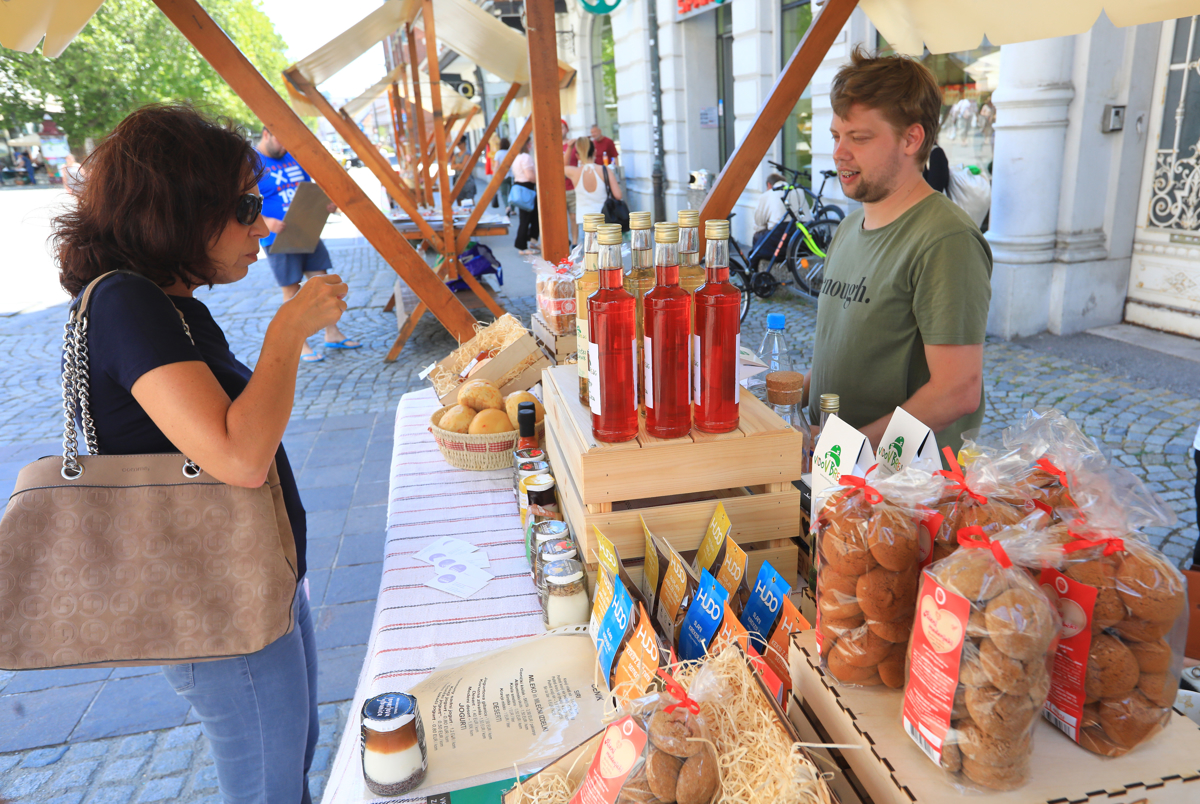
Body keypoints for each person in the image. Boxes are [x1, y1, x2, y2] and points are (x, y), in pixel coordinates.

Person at [52, 103, 342, 804]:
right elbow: (240, 455)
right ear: (178, 210)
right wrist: (287, 334)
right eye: (244, 206)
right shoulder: (127, 303)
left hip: (252, 573)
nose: (262, 223)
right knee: (269, 787)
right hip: (213, 601)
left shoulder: (165, 303)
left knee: (291, 758)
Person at [806, 47, 992, 457]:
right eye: (837, 136)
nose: (840, 152)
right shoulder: (851, 226)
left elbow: (957, 392)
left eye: (859, 137)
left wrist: (845, 448)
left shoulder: (946, 240)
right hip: (838, 476)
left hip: (902, 493)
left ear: (911, 138)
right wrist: (792, 390)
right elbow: (852, 348)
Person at [256, 127, 359, 362]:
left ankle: (332, 333)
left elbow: (309, 190)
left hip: (306, 229)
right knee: (291, 290)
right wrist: (266, 221)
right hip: (277, 237)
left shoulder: (292, 157)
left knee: (322, 282)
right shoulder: (252, 162)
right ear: (266, 134)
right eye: (281, 141)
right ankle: (299, 343)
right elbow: (240, 200)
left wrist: (325, 205)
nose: (284, 147)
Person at [563, 136, 622, 228]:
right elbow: (618, 195)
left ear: (577, 156)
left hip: (585, 221)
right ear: (595, 152)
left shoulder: (575, 172)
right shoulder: (604, 170)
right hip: (604, 218)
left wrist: (570, 147)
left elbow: (562, 167)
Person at [512, 138, 539, 254]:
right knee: (527, 218)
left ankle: (530, 241)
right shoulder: (526, 157)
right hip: (527, 188)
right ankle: (522, 245)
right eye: (530, 143)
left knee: (528, 217)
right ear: (527, 144)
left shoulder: (517, 157)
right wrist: (538, 180)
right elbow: (529, 176)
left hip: (519, 187)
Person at [752, 172, 788, 250]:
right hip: (801, 236)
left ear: (769, 185)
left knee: (757, 236)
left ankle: (754, 261)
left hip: (778, 236)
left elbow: (759, 222)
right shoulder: (797, 191)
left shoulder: (767, 195)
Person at [562, 119, 578, 247]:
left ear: (567, 129)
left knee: (573, 217)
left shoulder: (573, 145)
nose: (561, 130)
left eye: (563, 127)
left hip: (572, 186)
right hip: (559, 188)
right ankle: (563, 241)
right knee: (561, 219)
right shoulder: (553, 145)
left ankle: (575, 242)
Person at [495, 136, 511, 211]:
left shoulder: (498, 153)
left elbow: (496, 166)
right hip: (511, 174)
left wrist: (495, 175)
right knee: (511, 193)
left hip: (502, 175)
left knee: (504, 193)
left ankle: (507, 207)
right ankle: (513, 210)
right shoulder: (510, 152)